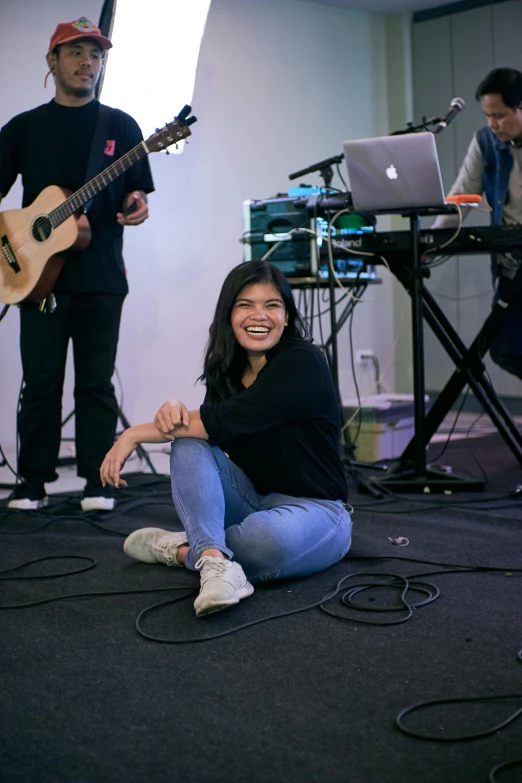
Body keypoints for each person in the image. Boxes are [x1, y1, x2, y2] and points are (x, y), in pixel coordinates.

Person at [100, 260, 352, 617]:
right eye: (245, 304)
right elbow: (203, 429)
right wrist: (176, 409)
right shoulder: (225, 372)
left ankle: (192, 551)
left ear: (287, 315)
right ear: (229, 313)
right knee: (188, 444)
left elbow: (222, 419)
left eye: (272, 305)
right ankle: (216, 561)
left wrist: (131, 435)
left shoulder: (303, 361)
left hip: (318, 512)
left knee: (266, 542)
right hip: (255, 501)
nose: (259, 315)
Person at [0, 17, 154, 511]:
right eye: (75, 52)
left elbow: (136, 193)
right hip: (36, 277)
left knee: (95, 382)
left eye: (96, 54)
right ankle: (32, 483)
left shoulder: (122, 126)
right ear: (53, 61)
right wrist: (11, 243)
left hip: (102, 276)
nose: (88, 62)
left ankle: (97, 481)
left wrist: (136, 205)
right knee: (40, 382)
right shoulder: (23, 128)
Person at [433, 67, 522, 380]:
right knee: (505, 349)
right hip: (513, 267)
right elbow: (463, 195)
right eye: (487, 115)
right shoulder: (485, 142)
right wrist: (431, 241)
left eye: (498, 115)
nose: (492, 124)